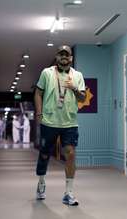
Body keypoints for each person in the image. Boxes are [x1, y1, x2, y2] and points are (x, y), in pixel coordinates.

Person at [34, 45, 86, 206]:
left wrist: (74, 88)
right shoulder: (47, 73)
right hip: (49, 121)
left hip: (69, 122)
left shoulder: (77, 75)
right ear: (56, 57)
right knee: (44, 154)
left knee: (70, 154)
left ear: (71, 58)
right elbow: (38, 93)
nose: (64, 57)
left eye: (67, 54)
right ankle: (41, 182)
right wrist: (39, 114)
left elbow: (83, 98)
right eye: (61, 54)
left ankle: (69, 192)